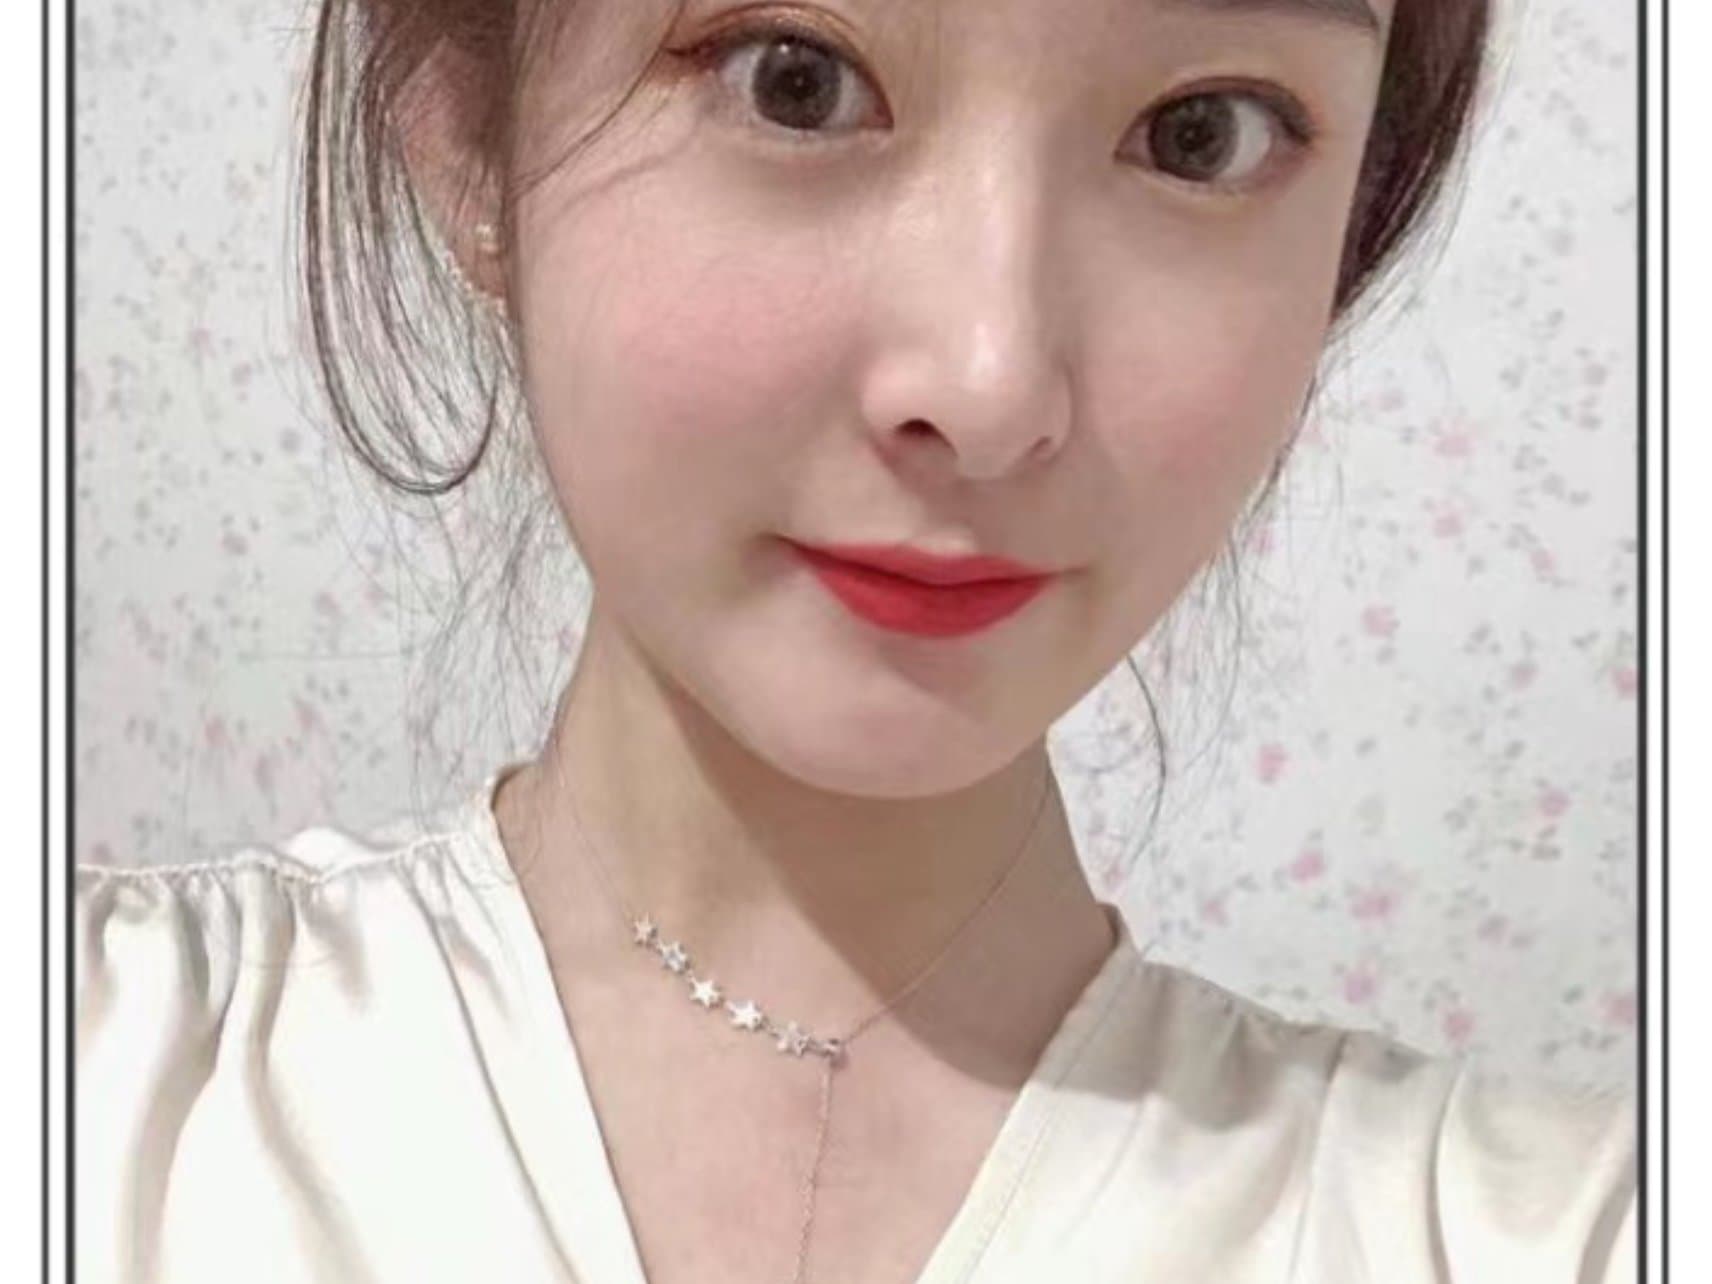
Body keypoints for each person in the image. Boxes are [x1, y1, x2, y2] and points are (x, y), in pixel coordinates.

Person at [75, 0, 1637, 1281]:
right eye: (796, 81)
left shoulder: (1558, 1232)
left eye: (1200, 133)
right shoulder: (90, 1079)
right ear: (467, 138)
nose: (990, 383)